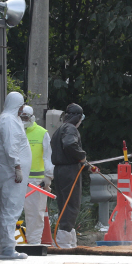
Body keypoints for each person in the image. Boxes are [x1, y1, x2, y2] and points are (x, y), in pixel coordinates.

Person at [0, 92, 32, 259]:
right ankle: (7, 248)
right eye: (21, 104)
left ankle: (7, 247)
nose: (22, 108)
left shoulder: (9, 119)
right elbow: (11, 146)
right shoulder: (8, 120)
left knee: (10, 208)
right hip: (10, 172)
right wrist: (17, 167)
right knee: (10, 209)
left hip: (9, 171)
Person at [50, 103, 92, 248]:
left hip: (60, 170)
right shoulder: (71, 129)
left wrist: (86, 166)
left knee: (64, 203)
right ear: (78, 118)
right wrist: (82, 156)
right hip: (69, 171)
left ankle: (67, 238)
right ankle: (64, 239)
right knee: (71, 203)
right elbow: (69, 145)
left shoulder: (59, 129)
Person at [20, 105, 54, 245]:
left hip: (36, 181)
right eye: (21, 117)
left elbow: (48, 156)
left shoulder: (41, 133)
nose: (23, 120)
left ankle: (33, 243)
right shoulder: (16, 131)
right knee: (12, 212)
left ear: (32, 117)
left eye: (25, 117)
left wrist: (48, 177)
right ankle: (14, 242)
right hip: (17, 179)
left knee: (35, 213)